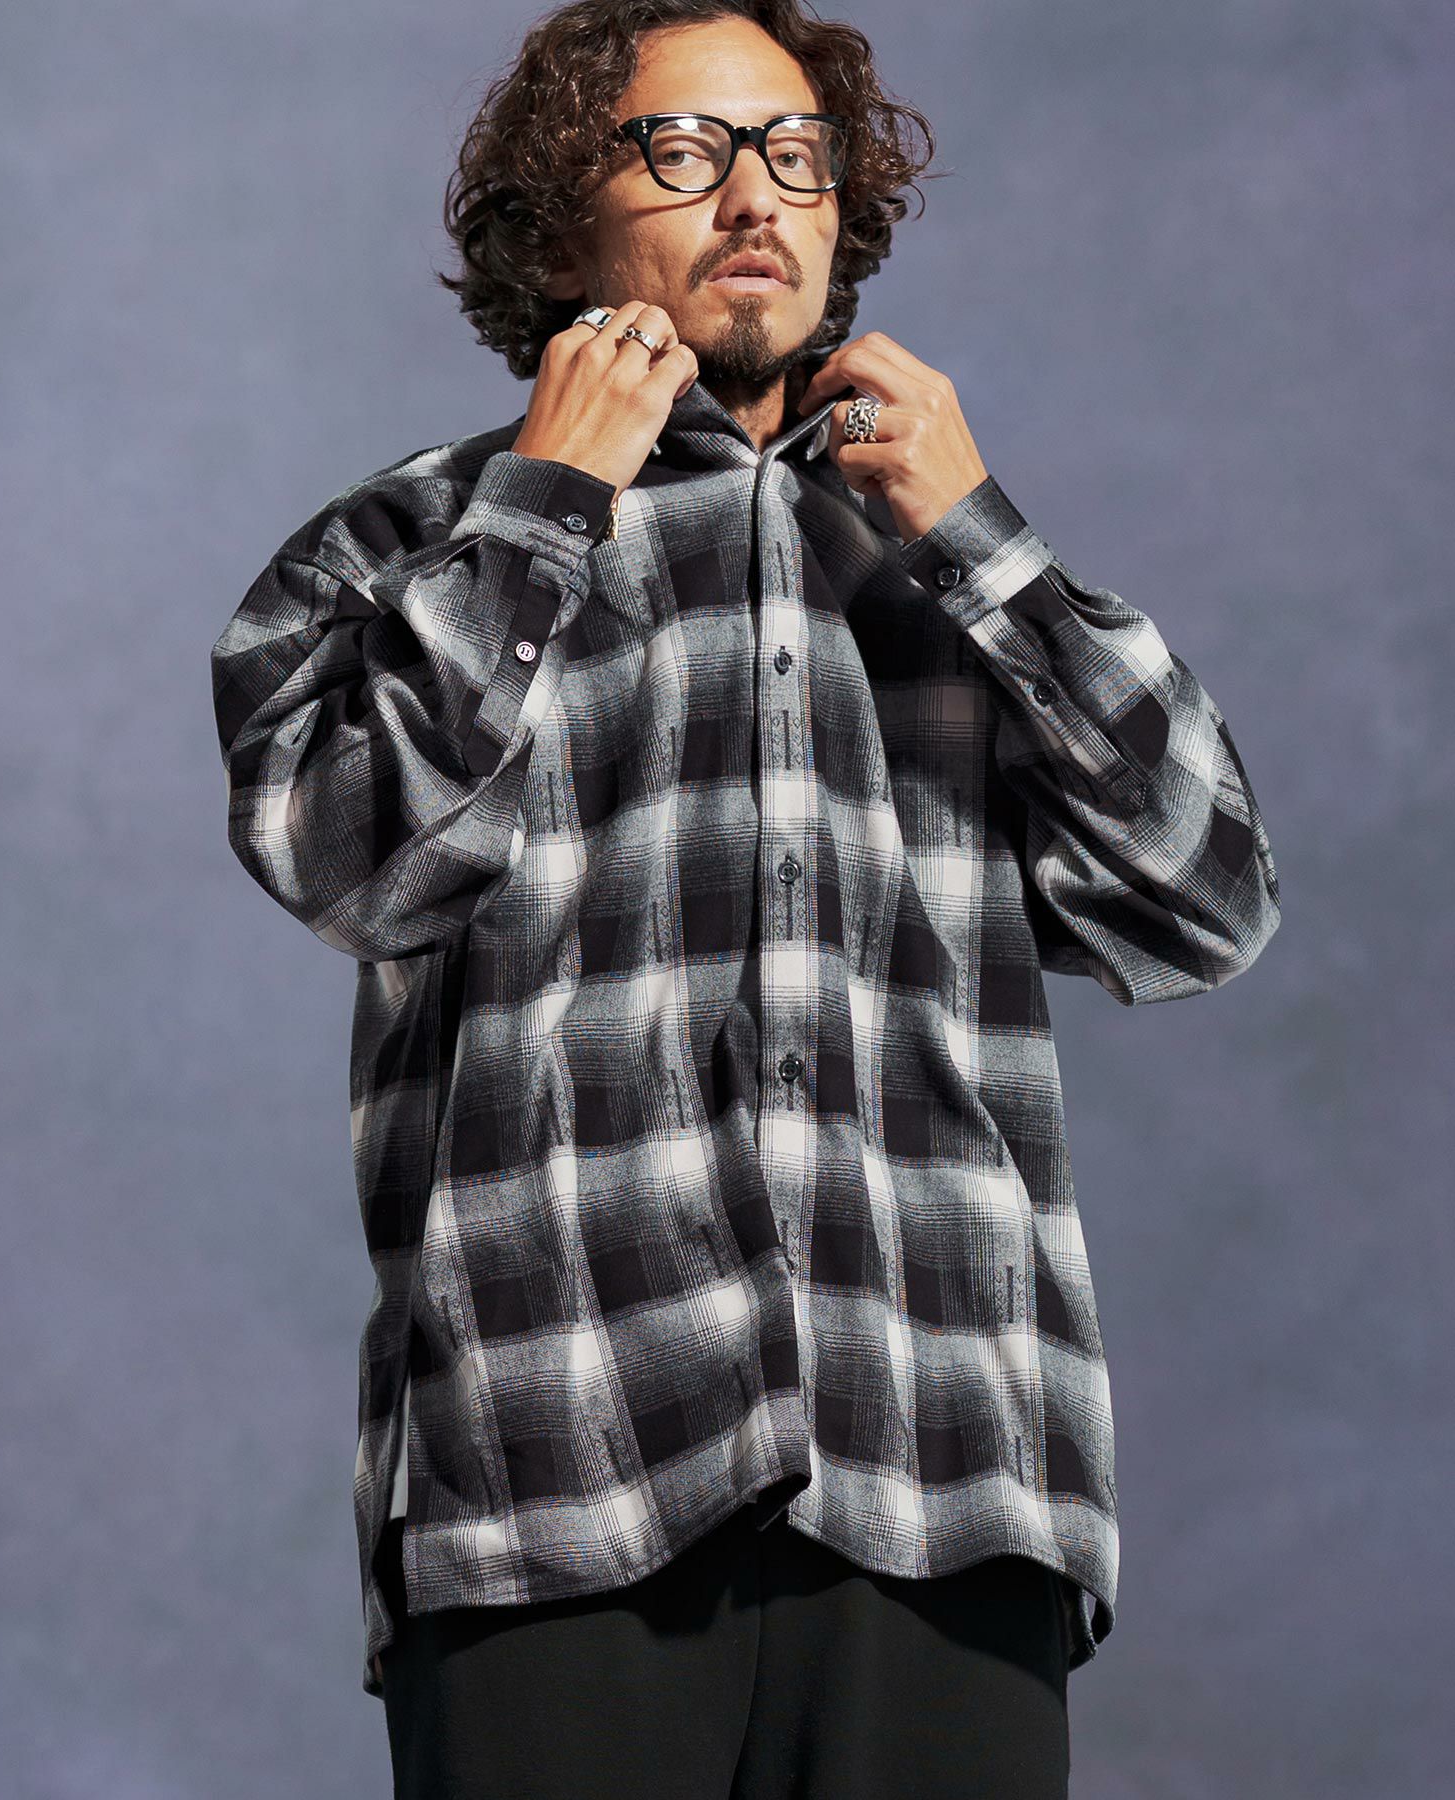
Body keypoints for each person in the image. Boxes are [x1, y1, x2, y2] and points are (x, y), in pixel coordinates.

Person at [209, 1, 1282, 1793]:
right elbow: (346, 863)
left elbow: (1208, 900)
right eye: (684, 151)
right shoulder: (399, 547)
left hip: (945, 1472)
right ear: (565, 220)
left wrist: (982, 539)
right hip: (553, 1480)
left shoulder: (941, 552)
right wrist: (548, 503)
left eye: (794, 152)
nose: (755, 198)